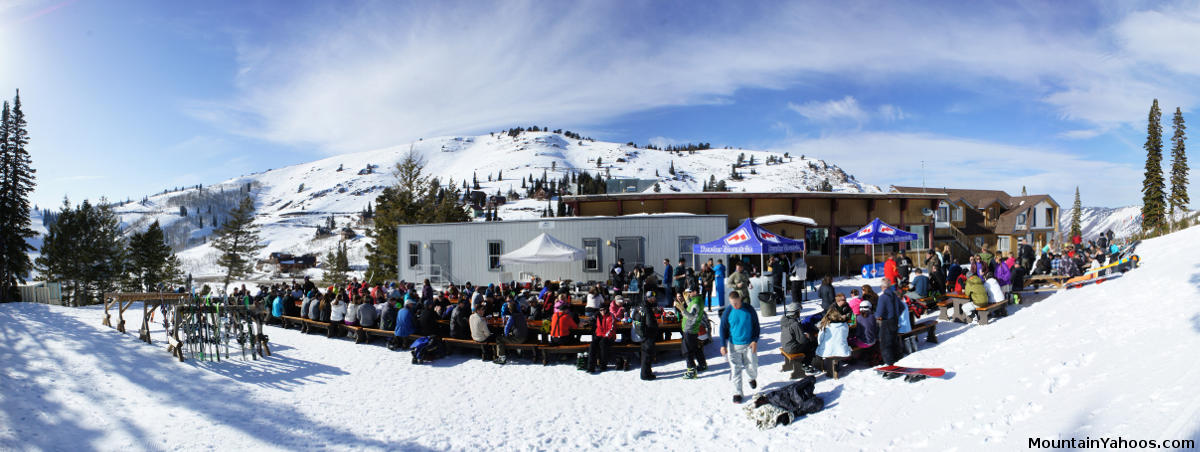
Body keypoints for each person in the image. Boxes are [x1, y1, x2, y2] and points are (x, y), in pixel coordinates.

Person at [720, 291, 760, 403]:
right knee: (735, 369)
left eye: (736, 303)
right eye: (732, 303)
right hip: (733, 345)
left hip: (749, 344)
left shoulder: (749, 310)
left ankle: (751, 377)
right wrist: (723, 345)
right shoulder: (728, 311)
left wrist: (755, 340)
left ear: (740, 300)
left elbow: (756, 326)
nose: (735, 306)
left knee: (752, 366)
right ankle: (737, 393)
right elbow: (722, 328)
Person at [675, 291, 708, 378]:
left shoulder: (696, 302)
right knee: (695, 347)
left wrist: (682, 309)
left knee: (687, 350)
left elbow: (691, 315)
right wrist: (687, 301)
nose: (688, 294)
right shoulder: (697, 300)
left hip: (690, 328)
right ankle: (702, 364)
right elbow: (693, 308)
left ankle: (691, 371)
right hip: (692, 328)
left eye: (690, 292)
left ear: (695, 292)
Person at [780, 301, 818, 374]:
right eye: (799, 312)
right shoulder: (795, 324)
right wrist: (808, 336)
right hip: (791, 348)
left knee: (808, 344)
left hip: (785, 344)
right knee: (812, 345)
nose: (799, 313)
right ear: (795, 313)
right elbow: (802, 341)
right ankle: (805, 364)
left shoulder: (784, 319)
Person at [875, 279, 904, 366]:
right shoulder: (894, 295)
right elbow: (902, 307)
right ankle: (897, 359)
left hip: (887, 321)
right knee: (893, 341)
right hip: (895, 320)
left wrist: (877, 316)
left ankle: (890, 363)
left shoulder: (882, 297)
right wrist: (896, 314)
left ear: (883, 287)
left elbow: (878, 313)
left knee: (885, 344)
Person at [632, 292, 659, 380]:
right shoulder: (647, 308)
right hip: (648, 334)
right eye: (653, 297)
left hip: (642, 334)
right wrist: (656, 328)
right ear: (649, 298)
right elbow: (650, 323)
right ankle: (645, 375)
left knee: (645, 354)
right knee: (647, 355)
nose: (654, 299)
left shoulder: (640, 305)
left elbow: (633, 316)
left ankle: (647, 371)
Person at [493, 300, 527, 364]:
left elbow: (506, 328)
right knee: (508, 336)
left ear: (510, 309)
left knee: (499, 338)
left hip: (518, 339)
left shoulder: (512, 317)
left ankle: (502, 358)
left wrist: (506, 336)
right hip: (524, 337)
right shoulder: (521, 315)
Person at [588, 300, 616, 373]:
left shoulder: (610, 316)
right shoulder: (597, 316)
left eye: (604, 309)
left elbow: (612, 328)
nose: (602, 311)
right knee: (592, 345)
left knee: (603, 344)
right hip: (599, 335)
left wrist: (606, 336)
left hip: (609, 337)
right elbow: (591, 321)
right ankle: (591, 367)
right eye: (600, 310)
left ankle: (603, 365)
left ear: (606, 309)